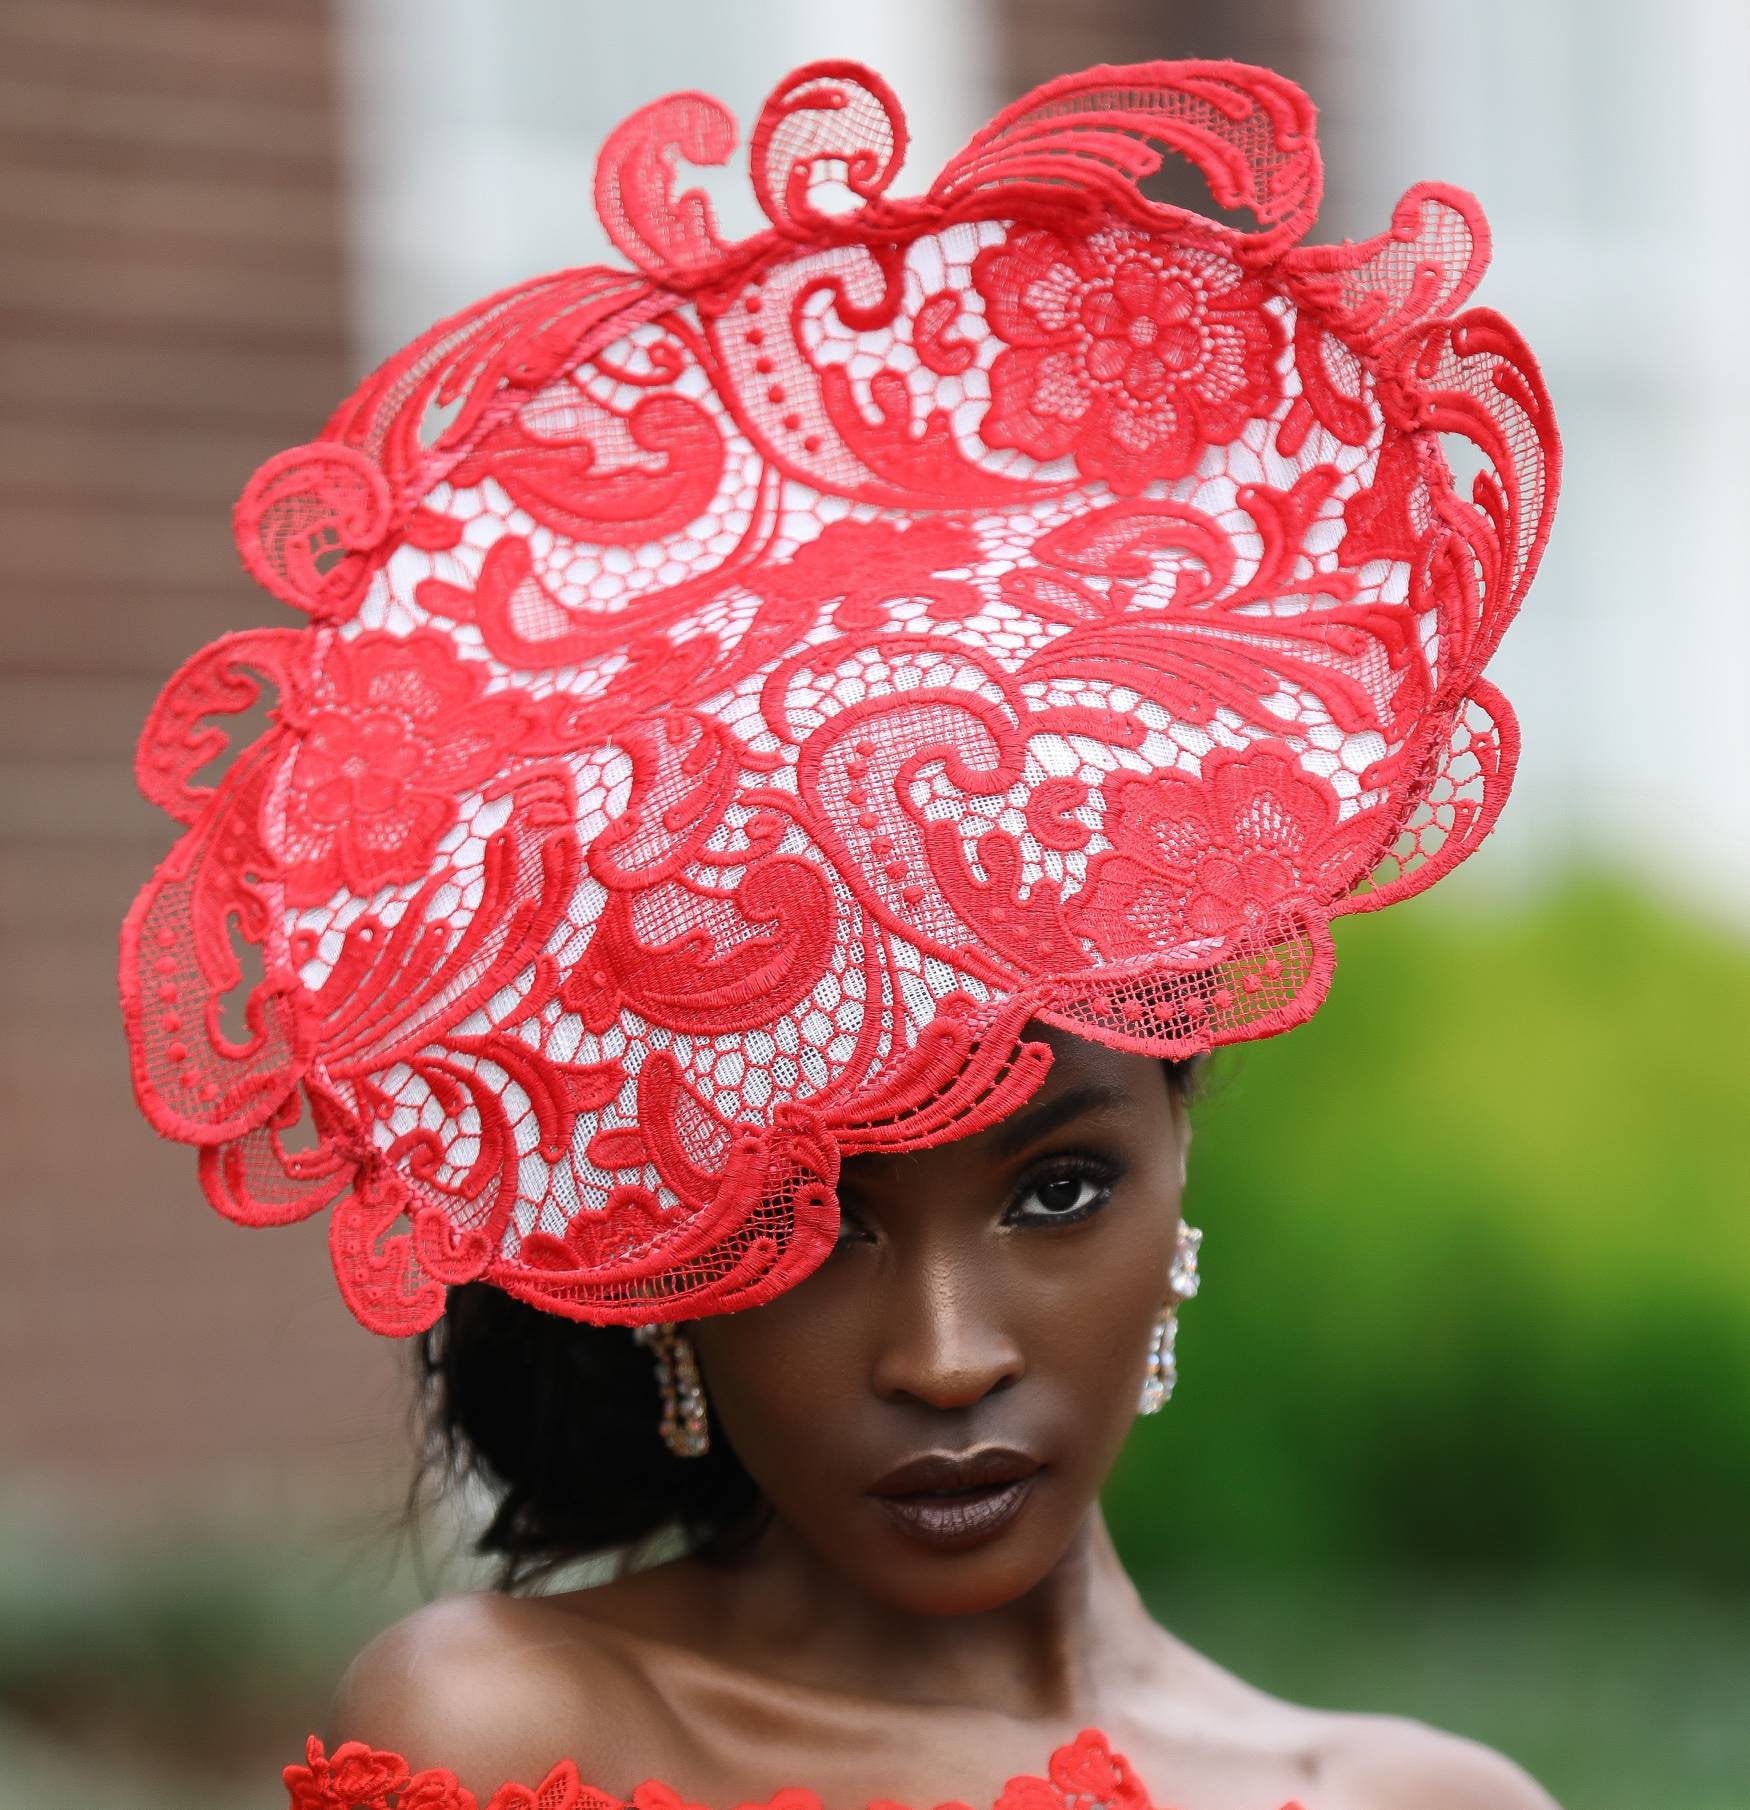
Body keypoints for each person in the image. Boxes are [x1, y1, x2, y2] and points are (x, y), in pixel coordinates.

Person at [120, 56, 1562, 1810]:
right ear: (666, 1267)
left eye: (1056, 1188)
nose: (946, 1355)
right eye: (810, 1223)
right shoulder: (503, 1728)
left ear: (1180, 1143)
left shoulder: (1428, 1802)